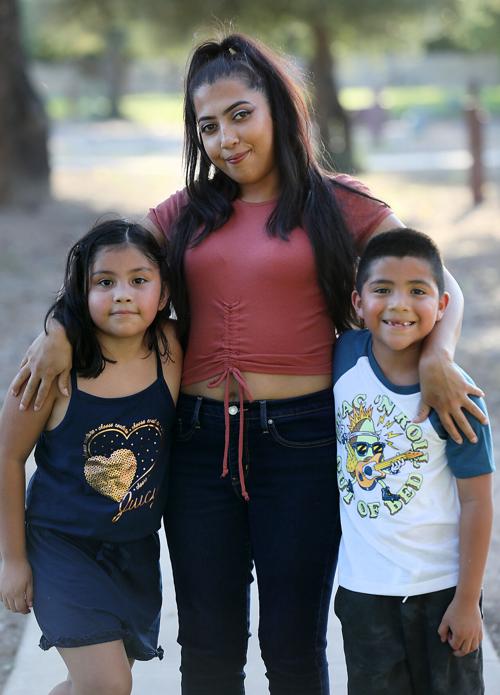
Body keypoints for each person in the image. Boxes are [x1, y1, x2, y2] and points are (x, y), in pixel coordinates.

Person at [9, 34, 488, 695]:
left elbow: (443, 284)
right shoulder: (182, 214)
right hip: (201, 444)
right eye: (207, 126)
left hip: (306, 443)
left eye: (240, 115)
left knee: (293, 644)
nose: (226, 139)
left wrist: (438, 355)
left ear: (278, 112)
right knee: (208, 645)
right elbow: (115, 274)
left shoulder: (339, 202)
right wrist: (60, 328)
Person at [0, 220, 182, 695]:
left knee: (95, 686)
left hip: (134, 547)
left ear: (163, 294)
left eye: (139, 280)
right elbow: (7, 455)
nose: (123, 294)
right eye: (105, 282)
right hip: (61, 546)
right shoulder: (54, 367)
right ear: (81, 292)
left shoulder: (172, 349)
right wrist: (13, 560)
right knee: (108, 684)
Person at [333, 228, 494, 695]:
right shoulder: (343, 358)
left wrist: (468, 602)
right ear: (358, 303)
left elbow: (478, 504)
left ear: (442, 307)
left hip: (442, 591)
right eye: (382, 290)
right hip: (365, 592)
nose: (399, 304)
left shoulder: (457, 396)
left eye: (417, 291)